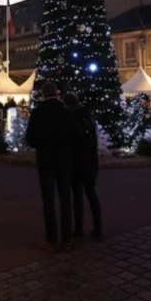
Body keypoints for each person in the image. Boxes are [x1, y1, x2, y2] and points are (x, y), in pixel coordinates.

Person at [25, 82, 76, 252]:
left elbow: (30, 139)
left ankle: (51, 239)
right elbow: (73, 136)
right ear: (57, 93)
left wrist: (43, 142)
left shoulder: (38, 113)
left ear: (42, 94)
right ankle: (67, 238)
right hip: (64, 160)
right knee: (65, 199)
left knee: (48, 201)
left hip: (46, 160)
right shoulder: (66, 112)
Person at [63, 93, 102, 241]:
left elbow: (70, 142)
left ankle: (79, 228)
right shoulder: (88, 117)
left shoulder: (71, 119)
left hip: (76, 163)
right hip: (91, 162)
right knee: (91, 194)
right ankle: (98, 228)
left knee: (77, 196)